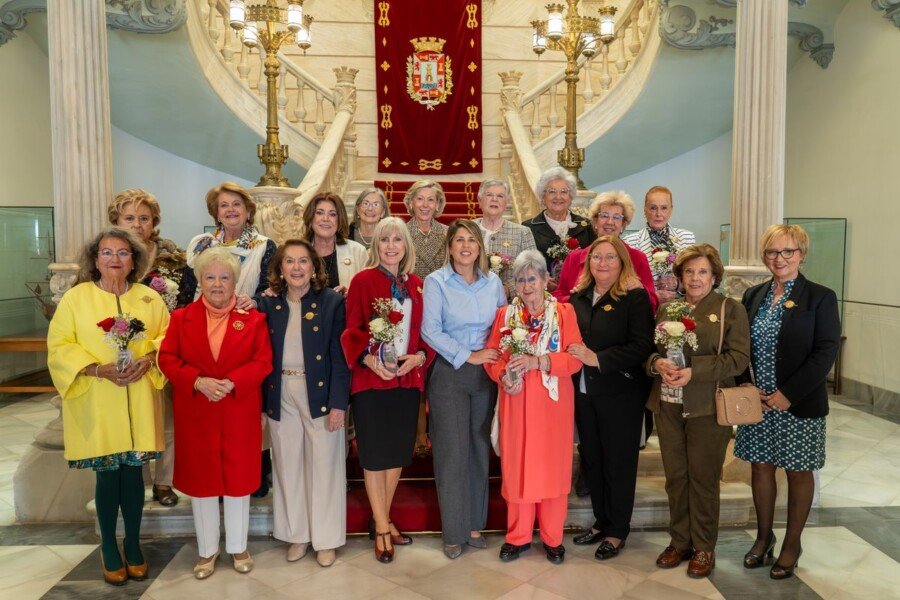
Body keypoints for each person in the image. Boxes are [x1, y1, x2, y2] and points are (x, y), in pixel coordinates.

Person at [47, 227, 169, 586]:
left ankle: (133, 544)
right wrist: (97, 368)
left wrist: (147, 360)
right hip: (97, 396)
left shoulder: (149, 298)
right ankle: (108, 547)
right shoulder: (76, 298)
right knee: (107, 474)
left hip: (139, 397)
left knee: (133, 474)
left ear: (134, 259)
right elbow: (59, 345)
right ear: (95, 259)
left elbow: (167, 338)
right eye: (107, 253)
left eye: (123, 253)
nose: (115, 259)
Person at [158, 247, 273, 579]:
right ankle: (207, 551)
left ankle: (238, 546)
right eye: (210, 277)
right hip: (197, 411)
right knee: (203, 482)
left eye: (225, 277)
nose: (218, 284)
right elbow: (167, 360)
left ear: (235, 282)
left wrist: (231, 383)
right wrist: (197, 381)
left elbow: (263, 361)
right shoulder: (181, 319)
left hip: (238, 409)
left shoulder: (254, 319)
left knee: (238, 482)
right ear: (200, 280)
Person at [733, 224, 841, 580]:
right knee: (760, 468)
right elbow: (740, 347)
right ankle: (764, 538)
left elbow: (825, 352)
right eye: (772, 252)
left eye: (787, 252)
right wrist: (748, 389)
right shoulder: (754, 295)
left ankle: (792, 544)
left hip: (798, 403)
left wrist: (786, 395)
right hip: (757, 402)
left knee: (798, 472)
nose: (779, 259)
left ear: (802, 254)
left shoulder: (820, 297)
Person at [646, 244, 750, 578]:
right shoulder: (668, 310)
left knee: (703, 479)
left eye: (702, 271)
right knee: (676, 478)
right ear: (679, 276)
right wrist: (656, 363)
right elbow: (649, 352)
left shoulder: (728, 309)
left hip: (706, 407)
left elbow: (738, 359)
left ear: (714, 275)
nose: (695, 278)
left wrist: (695, 371)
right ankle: (680, 541)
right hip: (668, 404)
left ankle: (704, 546)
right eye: (689, 272)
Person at [341, 217, 434, 563]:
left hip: (407, 380)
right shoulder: (363, 280)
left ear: (406, 245)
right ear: (375, 246)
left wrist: (421, 356)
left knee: (396, 454)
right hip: (371, 380)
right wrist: (367, 359)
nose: (391, 245)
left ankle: (382, 517)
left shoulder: (418, 285)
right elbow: (351, 330)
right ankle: (382, 527)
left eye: (398, 239)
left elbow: (428, 332)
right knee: (374, 455)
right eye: (385, 240)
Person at [483, 250, 584, 565]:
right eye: (520, 280)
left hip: (553, 405)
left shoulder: (564, 313)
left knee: (552, 470)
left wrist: (539, 361)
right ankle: (518, 536)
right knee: (518, 469)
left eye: (532, 278)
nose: (526, 286)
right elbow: (492, 356)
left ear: (545, 280)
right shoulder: (504, 315)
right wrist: (503, 375)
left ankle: (553, 538)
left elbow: (574, 357)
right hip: (516, 402)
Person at [254, 239, 351, 567]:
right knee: (288, 466)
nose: (296, 268)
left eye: (303, 261)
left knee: (325, 466)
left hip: (320, 395)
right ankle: (297, 535)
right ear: (280, 268)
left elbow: (340, 356)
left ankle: (326, 539)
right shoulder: (268, 304)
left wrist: (339, 403)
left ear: (314, 267)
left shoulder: (331, 302)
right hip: (280, 391)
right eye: (290, 262)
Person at [421, 220, 507, 559]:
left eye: (472, 239)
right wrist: (467, 355)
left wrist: (491, 357)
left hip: (485, 373)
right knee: (451, 453)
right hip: (451, 371)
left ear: (480, 247)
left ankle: (474, 525)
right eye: (459, 240)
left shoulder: (493, 281)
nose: (466, 246)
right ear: (450, 247)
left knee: (477, 449)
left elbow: (502, 322)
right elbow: (431, 330)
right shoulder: (436, 282)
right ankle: (453, 531)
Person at [567, 236, 654, 560]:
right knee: (593, 461)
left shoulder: (634, 298)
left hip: (621, 394)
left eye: (610, 258)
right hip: (584, 394)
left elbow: (641, 346)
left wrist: (598, 358)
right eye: (596, 257)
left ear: (622, 263)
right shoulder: (577, 298)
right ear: (588, 262)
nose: (602, 263)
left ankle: (618, 530)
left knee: (618, 463)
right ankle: (601, 522)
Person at [108, 188, 194, 508]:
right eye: (129, 217)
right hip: (122, 356)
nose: (137, 225)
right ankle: (137, 478)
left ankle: (164, 482)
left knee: (168, 421)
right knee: (132, 419)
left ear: (154, 222)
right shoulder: (107, 257)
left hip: (166, 352)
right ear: (116, 220)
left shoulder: (176, 260)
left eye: (144, 218)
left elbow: (186, 306)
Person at [553, 191, 658, 312]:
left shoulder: (637, 258)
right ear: (595, 222)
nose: (610, 222)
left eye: (616, 217)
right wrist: (576, 299)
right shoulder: (574, 258)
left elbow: (653, 305)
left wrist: (640, 288)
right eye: (604, 215)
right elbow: (558, 298)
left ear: (623, 224)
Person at [185, 181, 277, 299]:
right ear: (217, 215)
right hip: (203, 315)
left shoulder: (265, 246)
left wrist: (254, 301)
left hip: (246, 315)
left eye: (237, 204)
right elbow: (188, 290)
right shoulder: (204, 244)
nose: (230, 209)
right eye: (224, 205)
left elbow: (269, 290)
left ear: (248, 211)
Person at [520, 167, 596, 282]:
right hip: (543, 294)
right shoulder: (528, 228)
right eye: (552, 192)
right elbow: (523, 266)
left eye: (564, 191)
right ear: (543, 196)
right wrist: (542, 280)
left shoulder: (586, 226)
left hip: (580, 292)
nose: (558, 197)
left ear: (570, 196)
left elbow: (595, 261)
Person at [622, 186, 696, 303]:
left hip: (680, 306)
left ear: (671, 210)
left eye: (664, 208)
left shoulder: (686, 237)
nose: (658, 214)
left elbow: (695, 277)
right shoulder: (629, 242)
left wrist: (678, 284)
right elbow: (627, 283)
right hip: (646, 306)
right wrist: (652, 295)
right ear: (645, 210)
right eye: (653, 208)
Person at [473, 179, 537, 295]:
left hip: (510, 304)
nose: (494, 199)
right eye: (489, 195)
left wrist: (508, 289)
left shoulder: (522, 232)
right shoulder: (467, 229)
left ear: (507, 202)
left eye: (500, 196)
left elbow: (532, 270)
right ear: (480, 200)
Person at [301, 192, 369, 296]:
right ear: (310, 218)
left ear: (339, 220)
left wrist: (351, 294)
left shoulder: (358, 251)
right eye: (319, 212)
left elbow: (369, 293)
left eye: (332, 214)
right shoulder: (296, 251)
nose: (325, 219)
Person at [404, 179, 450, 281]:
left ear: (437, 204)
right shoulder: (401, 233)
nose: (425, 205)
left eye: (430, 200)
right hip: (410, 292)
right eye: (420, 199)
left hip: (441, 292)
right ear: (411, 202)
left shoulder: (448, 233)